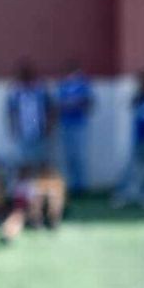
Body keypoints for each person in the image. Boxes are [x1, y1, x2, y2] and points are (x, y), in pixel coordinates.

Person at [114, 72, 144, 209]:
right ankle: (123, 194)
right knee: (129, 167)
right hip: (137, 138)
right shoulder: (138, 99)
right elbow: (130, 104)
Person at [6, 60, 53, 171]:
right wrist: (13, 128)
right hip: (23, 131)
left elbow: (50, 108)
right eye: (22, 71)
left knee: (43, 162)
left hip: (41, 130)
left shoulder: (40, 87)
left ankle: (43, 188)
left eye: (26, 71)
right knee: (25, 162)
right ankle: (28, 188)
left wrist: (50, 126)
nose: (24, 73)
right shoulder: (15, 89)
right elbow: (11, 111)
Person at [56, 62, 95, 196]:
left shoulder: (83, 84)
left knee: (80, 155)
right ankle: (72, 184)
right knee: (69, 156)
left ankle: (82, 185)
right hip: (66, 123)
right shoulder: (63, 85)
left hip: (79, 124)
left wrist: (74, 104)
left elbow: (88, 102)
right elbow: (59, 104)